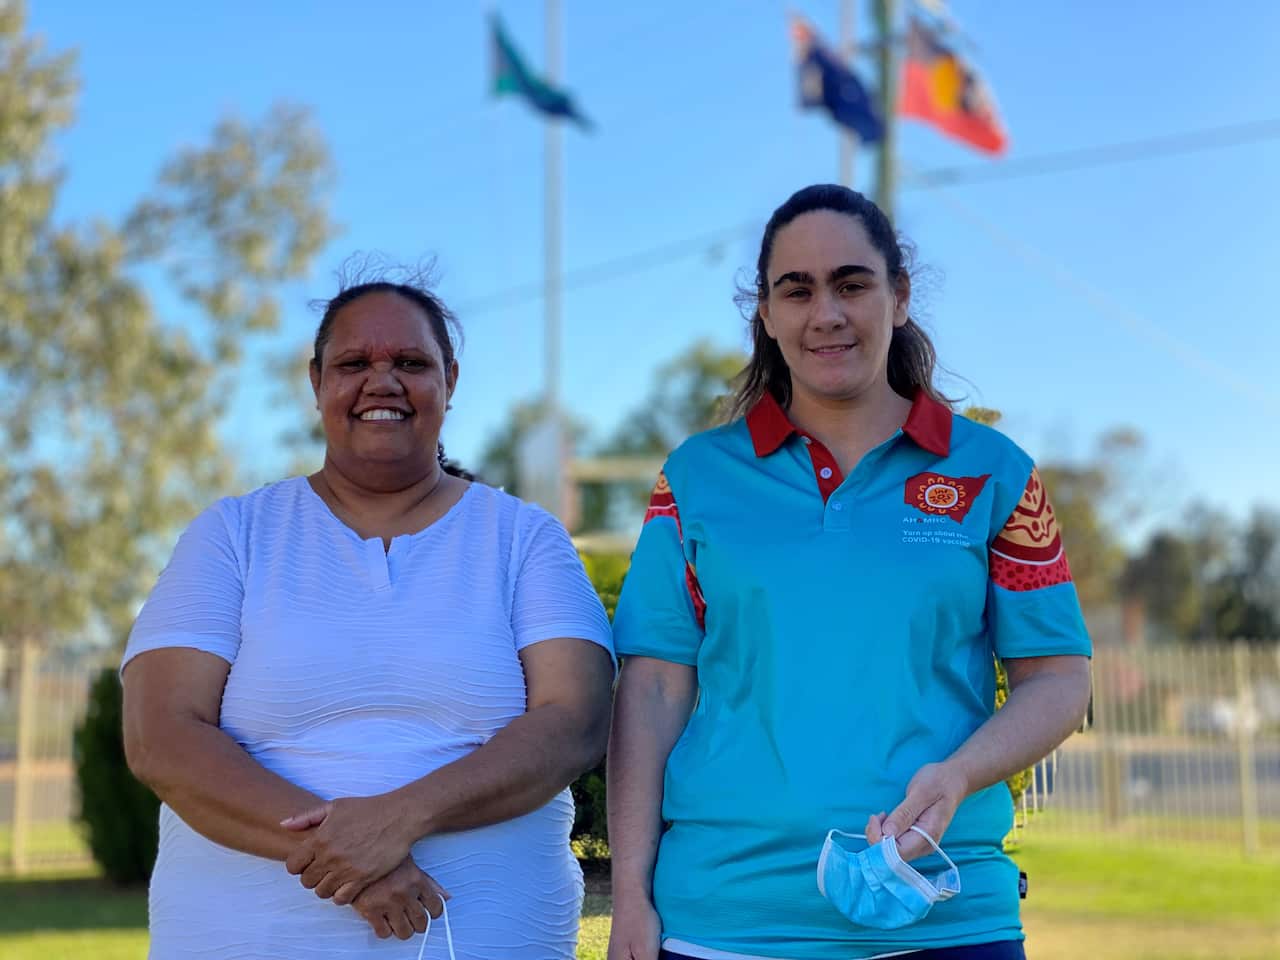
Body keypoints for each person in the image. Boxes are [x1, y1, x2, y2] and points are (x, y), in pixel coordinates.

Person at [606, 185, 1092, 960]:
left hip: (945, 910)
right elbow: (655, 688)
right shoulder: (695, 478)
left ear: (898, 297)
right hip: (728, 921)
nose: (825, 312)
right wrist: (630, 893)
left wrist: (962, 772)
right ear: (764, 313)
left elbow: (1059, 678)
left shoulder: (995, 472)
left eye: (852, 283)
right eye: (795, 290)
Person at [122, 269, 615, 959]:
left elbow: (576, 721)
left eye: (410, 363)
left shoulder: (524, 538)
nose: (382, 381)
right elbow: (161, 735)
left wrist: (399, 819)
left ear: (450, 379)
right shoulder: (232, 534)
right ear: (317, 380)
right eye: (354, 363)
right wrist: (350, 859)